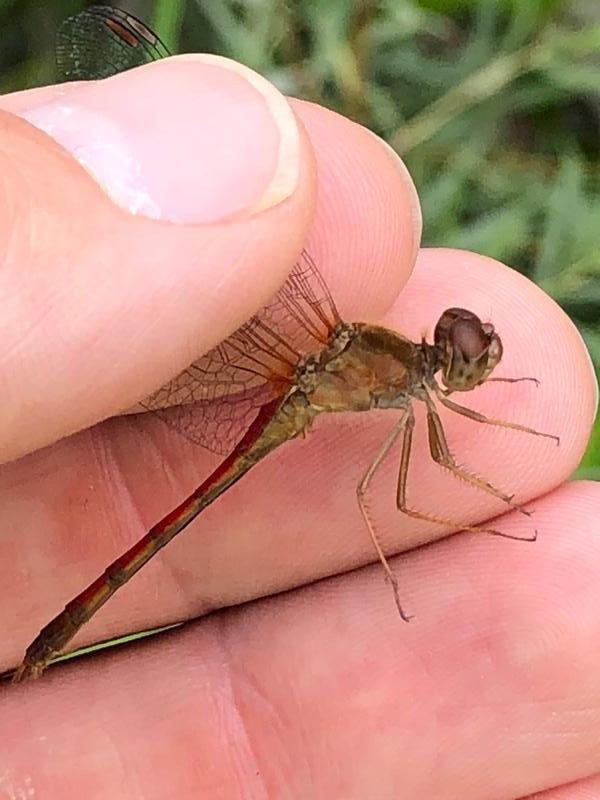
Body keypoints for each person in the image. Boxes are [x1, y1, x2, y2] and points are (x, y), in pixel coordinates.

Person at [0, 53, 598, 799]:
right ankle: (50, 643)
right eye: (466, 354)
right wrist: (494, 518)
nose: (462, 363)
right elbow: (409, 496)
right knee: (402, 496)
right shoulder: (409, 380)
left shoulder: (409, 375)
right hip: (286, 398)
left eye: (468, 354)